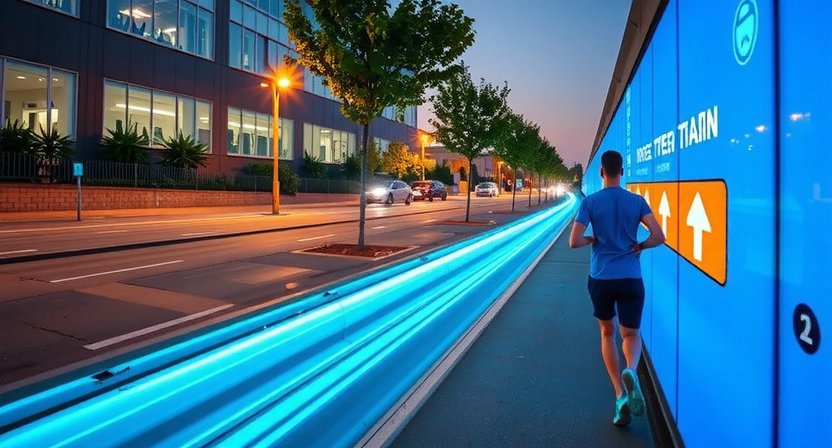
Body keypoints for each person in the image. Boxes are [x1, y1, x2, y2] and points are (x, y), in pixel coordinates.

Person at [568, 150, 665, 427]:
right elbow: (659, 236)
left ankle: (620, 394)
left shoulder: (591, 202)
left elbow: (574, 241)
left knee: (607, 332)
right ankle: (631, 369)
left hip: (601, 278)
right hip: (630, 277)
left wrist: (592, 239)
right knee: (631, 334)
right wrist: (640, 246)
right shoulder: (637, 201)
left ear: (601, 172)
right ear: (622, 171)